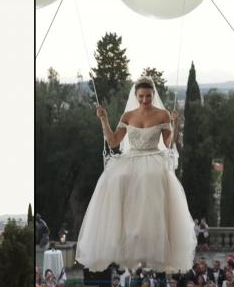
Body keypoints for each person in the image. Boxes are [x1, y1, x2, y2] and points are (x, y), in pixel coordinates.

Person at [75, 76, 197, 273]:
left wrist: (176, 124)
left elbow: (168, 144)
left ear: (153, 95)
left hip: (153, 157)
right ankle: (122, 240)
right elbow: (114, 142)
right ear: (136, 95)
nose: (145, 100)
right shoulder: (128, 116)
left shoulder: (162, 114)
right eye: (141, 96)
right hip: (131, 158)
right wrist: (104, 120)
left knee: (153, 177)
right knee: (114, 178)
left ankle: (152, 241)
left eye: (148, 96)